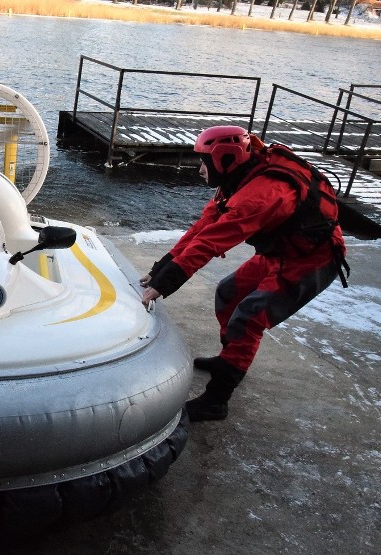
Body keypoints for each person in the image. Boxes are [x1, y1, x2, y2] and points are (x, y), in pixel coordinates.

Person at [140, 125, 349, 422]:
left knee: (248, 318)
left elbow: (212, 242)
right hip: (280, 254)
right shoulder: (240, 176)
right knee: (228, 294)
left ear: (224, 159)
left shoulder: (262, 195)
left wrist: (164, 286)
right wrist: (161, 269)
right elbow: (205, 227)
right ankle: (231, 359)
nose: (200, 168)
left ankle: (216, 400)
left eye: (204, 161)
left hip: (311, 260)